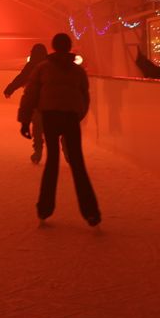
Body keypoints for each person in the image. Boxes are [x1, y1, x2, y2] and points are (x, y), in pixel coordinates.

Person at [19, 33, 101, 227]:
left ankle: (44, 208)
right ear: (69, 47)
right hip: (70, 117)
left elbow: (30, 94)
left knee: (52, 162)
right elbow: (85, 96)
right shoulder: (77, 71)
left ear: (54, 47)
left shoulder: (43, 68)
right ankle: (90, 212)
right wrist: (77, 114)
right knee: (77, 163)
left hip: (50, 116)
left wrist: (24, 120)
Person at [6, 43, 49, 164]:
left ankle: (38, 150)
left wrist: (10, 89)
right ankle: (63, 149)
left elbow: (21, 78)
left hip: (36, 102)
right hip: (50, 101)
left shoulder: (31, 65)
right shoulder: (50, 64)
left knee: (37, 127)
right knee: (51, 127)